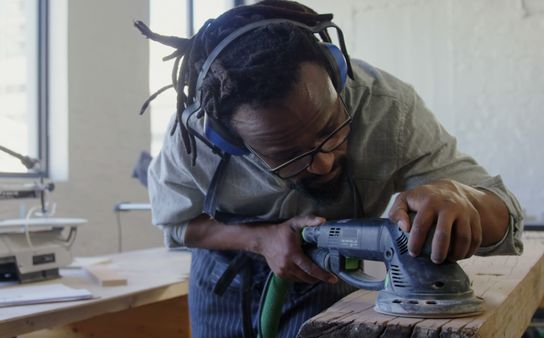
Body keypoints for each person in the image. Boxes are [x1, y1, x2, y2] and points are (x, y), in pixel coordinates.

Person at [135, 1, 524, 337]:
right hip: (226, 278)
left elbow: (504, 215)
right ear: (230, 141)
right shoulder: (194, 141)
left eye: (330, 129)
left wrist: (466, 200)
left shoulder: (386, 107)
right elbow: (176, 223)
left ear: (336, 77)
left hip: (327, 271)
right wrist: (261, 239)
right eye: (288, 154)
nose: (321, 163)